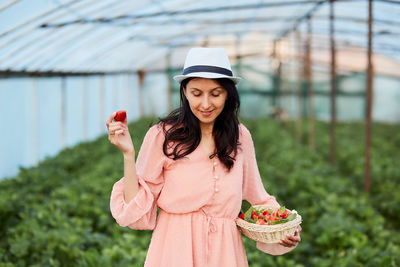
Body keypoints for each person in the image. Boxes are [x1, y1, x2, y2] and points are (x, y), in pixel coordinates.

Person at [106, 47, 301, 267]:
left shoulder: (240, 136)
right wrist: (128, 155)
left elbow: (259, 198)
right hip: (174, 250)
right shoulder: (163, 135)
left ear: (228, 94)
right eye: (197, 93)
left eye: (215, 94)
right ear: (185, 92)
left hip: (225, 253)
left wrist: (284, 230)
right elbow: (137, 208)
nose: (206, 104)